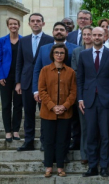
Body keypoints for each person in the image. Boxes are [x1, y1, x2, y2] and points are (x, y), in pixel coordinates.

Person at [32, 22, 79, 158]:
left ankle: (65, 150)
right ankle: (45, 147)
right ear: (52, 32)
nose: (59, 32)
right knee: (46, 121)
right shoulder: (43, 48)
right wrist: (36, 90)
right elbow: (37, 69)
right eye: (56, 29)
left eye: (62, 30)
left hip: (65, 95)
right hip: (47, 93)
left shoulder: (75, 48)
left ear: (67, 33)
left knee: (67, 125)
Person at [77, 27, 109, 178]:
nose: (96, 37)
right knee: (91, 135)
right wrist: (80, 98)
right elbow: (80, 79)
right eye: (94, 34)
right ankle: (92, 166)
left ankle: (104, 166)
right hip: (88, 100)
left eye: (99, 35)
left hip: (106, 100)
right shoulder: (83, 55)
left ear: (105, 36)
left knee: (106, 135)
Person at [15, 13, 54, 151]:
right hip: (26, 82)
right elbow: (19, 62)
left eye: (38, 21)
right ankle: (29, 141)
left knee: (44, 113)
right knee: (29, 113)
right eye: (33, 21)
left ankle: (44, 142)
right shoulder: (23, 41)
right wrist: (18, 82)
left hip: (44, 83)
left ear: (43, 23)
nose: (35, 23)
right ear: (29, 24)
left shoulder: (50, 40)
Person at [39, 43, 77, 178]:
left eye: (62, 53)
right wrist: (52, 106)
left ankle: (60, 167)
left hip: (65, 113)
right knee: (48, 140)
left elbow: (73, 92)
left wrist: (64, 106)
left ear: (65, 55)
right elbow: (42, 91)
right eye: (57, 53)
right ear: (52, 55)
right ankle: (48, 167)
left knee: (63, 140)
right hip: (48, 112)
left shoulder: (71, 72)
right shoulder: (45, 70)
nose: (59, 55)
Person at [0, 17, 23, 142]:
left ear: (19, 25)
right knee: (6, 105)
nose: (13, 26)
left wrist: (22, 79)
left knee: (18, 105)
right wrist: (0, 76)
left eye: (15, 24)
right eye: (11, 24)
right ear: (8, 26)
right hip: (5, 78)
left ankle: (16, 130)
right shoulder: (2, 40)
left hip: (20, 78)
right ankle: (8, 131)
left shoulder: (24, 40)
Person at [71, 25, 93, 165]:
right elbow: (75, 72)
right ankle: (85, 153)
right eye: (84, 34)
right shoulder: (77, 51)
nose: (86, 37)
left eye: (89, 34)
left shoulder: (101, 51)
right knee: (84, 125)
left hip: (98, 92)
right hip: (83, 91)